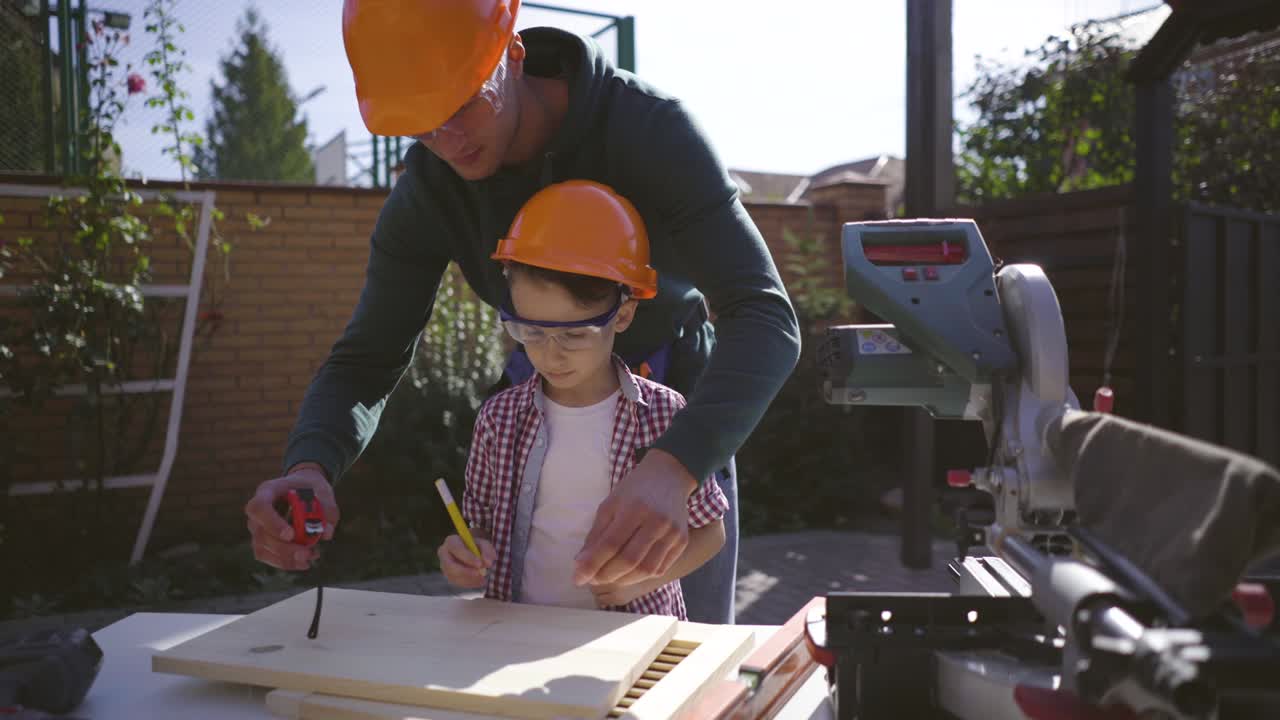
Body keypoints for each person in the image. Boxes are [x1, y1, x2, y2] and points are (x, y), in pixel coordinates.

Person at [242, 0, 801, 625]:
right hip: (543, 392)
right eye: (419, 123)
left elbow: (764, 317)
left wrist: (676, 465)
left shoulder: (649, 130)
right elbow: (367, 359)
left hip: (679, 405)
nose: (445, 140)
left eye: (461, 104)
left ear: (512, 53)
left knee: (684, 655)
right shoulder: (430, 187)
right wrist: (311, 467)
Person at [438, 180, 728, 619]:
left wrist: (644, 581)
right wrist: (467, 553)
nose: (551, 354)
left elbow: (711, 533)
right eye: (530, 331)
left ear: (624, 314)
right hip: (514, 633)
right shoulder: (498, 418)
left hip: (629, 637)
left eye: (574, 334)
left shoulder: (665, 415)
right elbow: (479, 524)